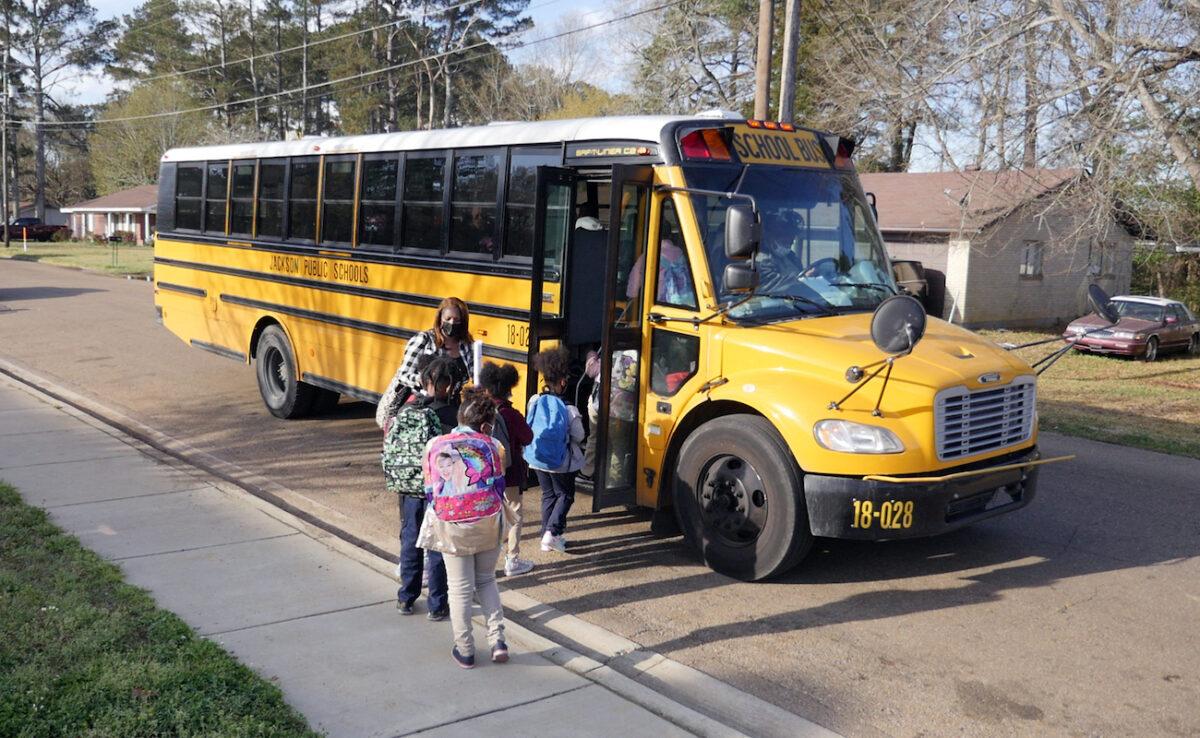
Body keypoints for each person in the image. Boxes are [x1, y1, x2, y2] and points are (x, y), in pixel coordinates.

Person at [418, 388, 509, 669]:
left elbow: (429, 491)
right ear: (485, 425)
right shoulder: (493, 445)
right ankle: (498, 642)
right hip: (488, 522)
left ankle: (466, 650)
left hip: (452, 525)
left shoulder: (435, 445)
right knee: (486, 580)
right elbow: (500, 485)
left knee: (459, 589)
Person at [381, 356, 461, 621]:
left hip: (408, 487)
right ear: (448, 386)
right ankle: (437, 605)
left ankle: (406, 597)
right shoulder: (450, 414)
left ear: (424, 380)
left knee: (411, 541)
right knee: (436, 545)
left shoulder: (407, 409)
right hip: (437, 491)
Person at [376, 296, 475, 430]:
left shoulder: (467, 345)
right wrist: (427, 381)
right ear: (440, 319)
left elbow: (475, 375)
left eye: (457, 320)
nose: (452, 323)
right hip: (421, 402)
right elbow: (403, 374)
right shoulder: (423, 340)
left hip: (451, 405)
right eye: (448, 319)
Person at [524, 347, 585, 554]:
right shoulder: (569, 409)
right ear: (562, 382)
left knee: (548, 495)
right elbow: (579, 436)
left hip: (537, 458)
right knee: (565, 495)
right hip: (561, 462)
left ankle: (545, 535)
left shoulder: (535, 400)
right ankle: (553, 531)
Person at [479, 362, 535, 576]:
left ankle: (486, 562)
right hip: (510, 474)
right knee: (514, 515)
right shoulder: (511, 415)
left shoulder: (480, 412)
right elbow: (528, 437)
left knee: (489, 517)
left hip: (483, 475)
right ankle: (512, 560)